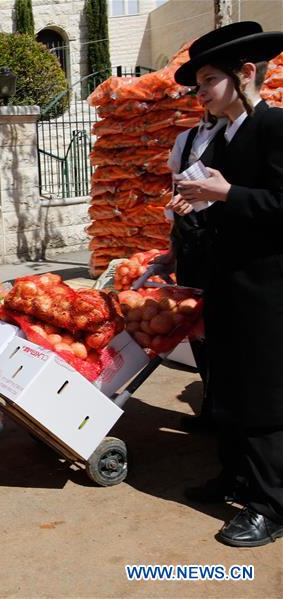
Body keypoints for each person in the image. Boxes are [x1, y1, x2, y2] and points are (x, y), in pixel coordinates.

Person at [168, 21, 283, 547]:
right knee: (230, 388)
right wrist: (194, 209)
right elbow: (222, 205)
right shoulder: (220, 139)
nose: (202, 93)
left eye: (210, 80)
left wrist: (228, 194)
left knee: (263, 397)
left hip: (268, 291)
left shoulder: (274, 127)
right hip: (229, 285)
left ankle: (269, 504)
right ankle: (235, 476)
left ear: (246, 74)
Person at [150, 112, 227, 433]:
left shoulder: (239, 137)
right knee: (198, 330)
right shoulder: (185, 141)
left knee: (226, 331)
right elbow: (175, 199)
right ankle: (211, 407)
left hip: (225, 249)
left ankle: (226, 412)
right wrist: (172, 251)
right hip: (192, 249)